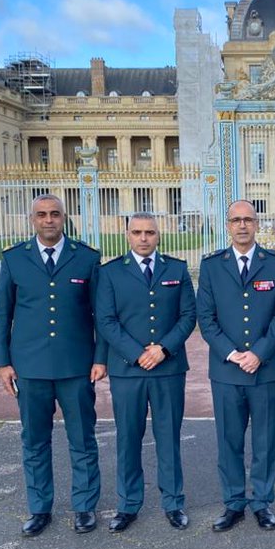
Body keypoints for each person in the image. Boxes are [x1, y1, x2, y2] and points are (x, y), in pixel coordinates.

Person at [0, 194, 107, 537]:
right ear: (32, 220)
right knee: (35, 441)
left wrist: (100, 358)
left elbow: (101, 315)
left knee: (83, 440)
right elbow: (2, 315)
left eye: (55, 214)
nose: (49, 220)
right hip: (30, 367)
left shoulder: (86, 258)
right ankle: (40, 508)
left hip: (76, 367)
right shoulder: (15, 259)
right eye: (42, 214)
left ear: (64, 218)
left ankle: (85, 507)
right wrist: (2, 363)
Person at [96, 213, 196, 532]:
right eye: (137, 232)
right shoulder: (110, 273)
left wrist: (163, 348)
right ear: (127, 235)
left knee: (168, 437)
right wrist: (138, 353)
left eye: (149, 232)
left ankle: (173, 502)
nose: (143, 238)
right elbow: (106, 320)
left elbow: (187, 315)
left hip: (168, 369)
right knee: (128, 438)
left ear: (158, 235)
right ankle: (128, 505)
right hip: (128, 370)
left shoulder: (176, 269)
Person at [197, 200, 275, 532]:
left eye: (248, 220)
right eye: (236, 220)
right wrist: (232, 353)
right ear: (228, 225)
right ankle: (234, 502)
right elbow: (206, 320)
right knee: (229, 439)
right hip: (226, 370)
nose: (242, 225)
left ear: (256, 225)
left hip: (266, 369)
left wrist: (259, 353)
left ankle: (262, 502)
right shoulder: (211, 266)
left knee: (265, 440)